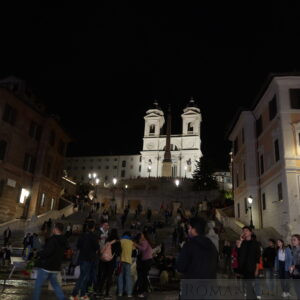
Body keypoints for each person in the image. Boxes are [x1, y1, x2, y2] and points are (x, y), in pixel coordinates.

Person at [32, 222, 68, 300]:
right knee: (55, 284)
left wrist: (39, 254)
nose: (52, 230)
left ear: (55, 229)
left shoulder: (53, 239)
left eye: (53, 228)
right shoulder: (64, 240)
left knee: (38, 285)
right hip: (55, 267)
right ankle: (62, 298)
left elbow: (47, 252)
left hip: (46, 266)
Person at [70, 220, 99, 300]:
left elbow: (78, 246)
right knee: (83, 277)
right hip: (89, 259)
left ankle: (83, 295)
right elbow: (97, 247)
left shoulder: (82, 235)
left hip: (82, 258)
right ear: (93, 227)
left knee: (84, 276)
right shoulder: (94, 236)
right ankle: (74, 294)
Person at [236, 226, 260, 300]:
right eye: (243, 231)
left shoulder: (255, 243)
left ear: (250, 232)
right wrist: (239, 243)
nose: (244, 232)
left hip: (251, 268)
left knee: (249, 285)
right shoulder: (242, 243)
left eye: (246, 230)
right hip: (243, 268)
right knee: (247, 285)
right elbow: (239, 255)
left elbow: (257, 257)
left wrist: (257, 268)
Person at [98, 228, 121, 299]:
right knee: (109, 276)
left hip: (104, 260)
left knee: (103, 275)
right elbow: (118, 252)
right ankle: (107, 293)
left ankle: (100, 291)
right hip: (111, 260)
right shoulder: (117, 241)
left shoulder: (107, 239)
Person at [134, 232, 153, 298]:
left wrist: (136, 245)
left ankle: (142, 291)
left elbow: (143, 249)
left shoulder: (145, 241)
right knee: (144, 276)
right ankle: (144, 290)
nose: (141, 236)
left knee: (143, 277)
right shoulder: (146, 242)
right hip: (147, 260)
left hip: (146, 261)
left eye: (142, 235)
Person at [118, 231, 135, 297]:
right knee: (128, 277)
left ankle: (120, 293)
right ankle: (129, 293)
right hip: (128, 261)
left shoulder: (121, 241)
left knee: (120, 277)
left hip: (121, 261)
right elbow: (134, 249)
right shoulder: (131, 242)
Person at [290, 234, 300, 299]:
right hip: (295, 273)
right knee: (296, 290)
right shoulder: (293, 249)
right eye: (292, 240)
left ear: (299, 241)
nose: (292, 241)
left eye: (294, 240)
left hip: (299, 272)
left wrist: (295, 266)